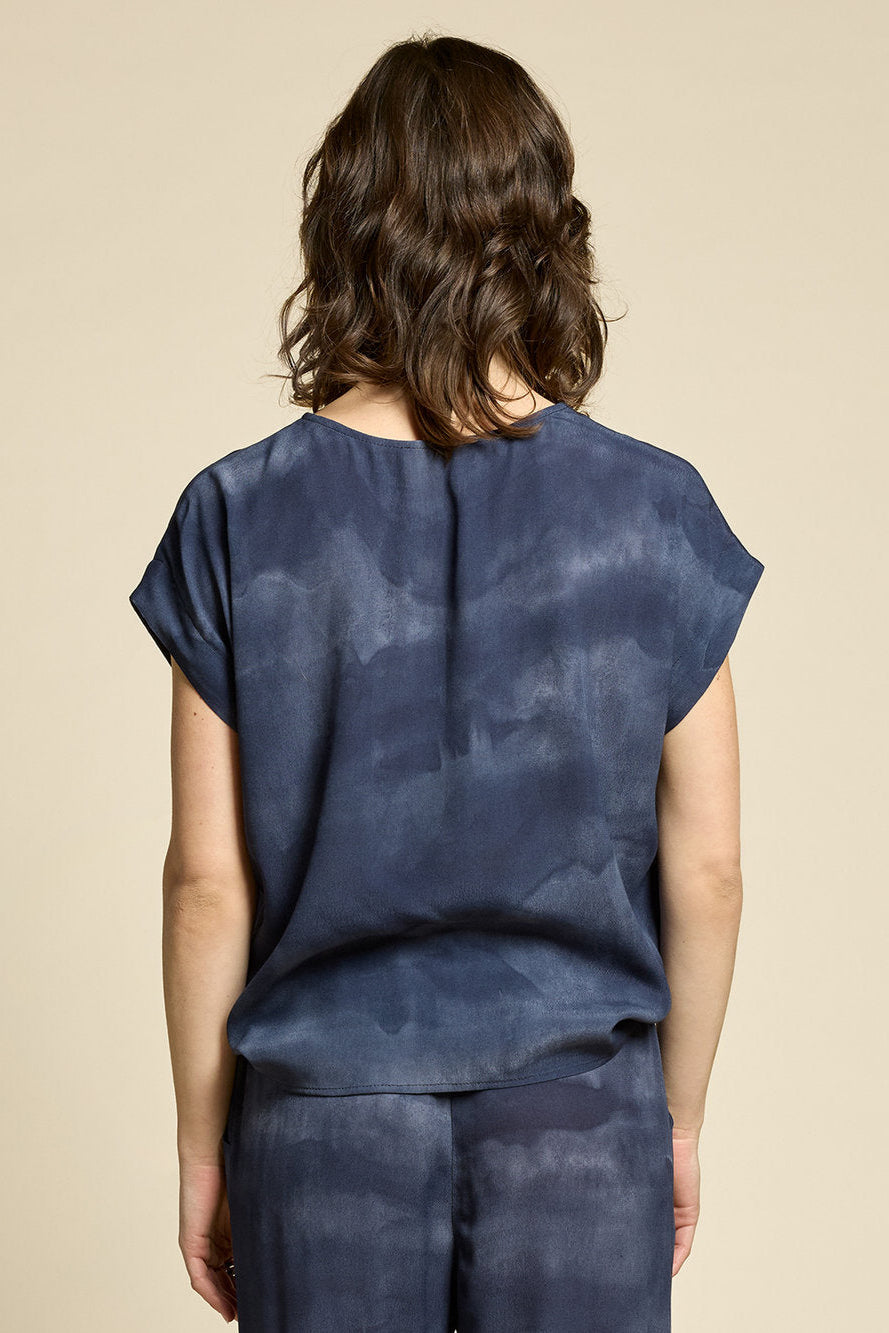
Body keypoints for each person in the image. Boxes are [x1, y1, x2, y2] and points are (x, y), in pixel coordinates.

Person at [129, 32, 765, 1333]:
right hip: (579, 1117)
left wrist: (203, 1147)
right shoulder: (652, 511)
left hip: (323, 1121)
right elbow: (707, 869)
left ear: (348, 227)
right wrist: (677, 1120)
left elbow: (206, 882)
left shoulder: (238, 515)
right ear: (542, 232)